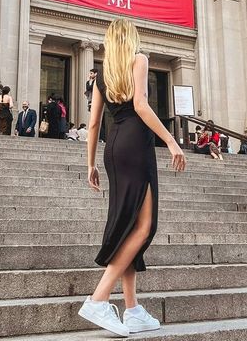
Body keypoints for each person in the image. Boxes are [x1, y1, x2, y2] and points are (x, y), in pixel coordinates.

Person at [78, 18, 186, 337]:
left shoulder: (102, 77)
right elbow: (140, 103)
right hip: (136, 146)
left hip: (114, 148)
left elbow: (94, 124)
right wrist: (169, 139)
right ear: (132, 38)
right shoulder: (139, 59)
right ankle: (99, 298)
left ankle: (133, 309)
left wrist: (91, 164)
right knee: (144, 226)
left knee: (129, 226)